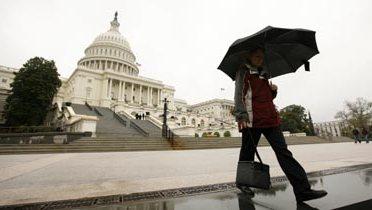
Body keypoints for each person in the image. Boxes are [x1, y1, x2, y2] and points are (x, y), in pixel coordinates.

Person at [233, 47, 327, 203]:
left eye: (262, 57)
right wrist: (240, 116)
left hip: (271, 119)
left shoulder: (264, 73)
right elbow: (238, 96)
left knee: (284, 154)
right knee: (247, 153)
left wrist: (273, 91)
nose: (260, 59)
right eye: (257, 56)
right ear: (249, 56)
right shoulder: (243, 72)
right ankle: (242, 182)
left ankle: (303, 190)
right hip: (252, 121)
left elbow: (266, 97)